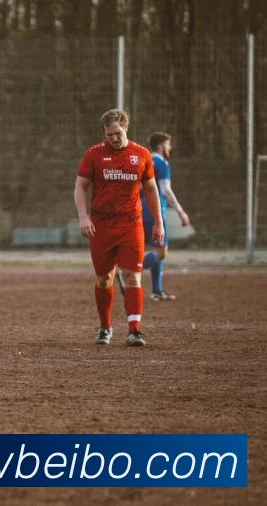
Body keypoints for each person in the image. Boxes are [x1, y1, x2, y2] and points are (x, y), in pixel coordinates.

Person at [74, 109, 165, 347]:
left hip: (130, 224)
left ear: (126, 127)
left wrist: (158, 222)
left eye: (117, 133)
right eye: (109, 134)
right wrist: (84, 217)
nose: (114, 138)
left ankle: (134, 330)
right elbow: (80, 187)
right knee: (104, 279)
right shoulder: (94, 154)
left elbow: (151, 189)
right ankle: (105, 327)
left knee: (132, 276)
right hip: (101, 226)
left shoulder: (141, 154)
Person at [137, 132, 190, 301]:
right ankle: (130, 271)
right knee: (161, 253)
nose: (170, 148)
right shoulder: (162, 163)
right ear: (160, 146)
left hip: (139, 209)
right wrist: (181, 211)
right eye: (168, 144)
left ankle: (157, 290)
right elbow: (165, 190)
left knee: (155, 249)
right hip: (156, 210)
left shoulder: (142, 161)